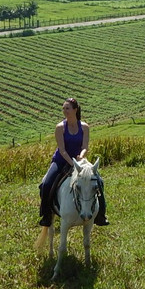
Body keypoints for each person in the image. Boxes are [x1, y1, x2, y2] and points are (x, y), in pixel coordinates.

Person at [38, 97, 108, 230]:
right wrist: (72, 163)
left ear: (75, 110)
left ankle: (101, 215)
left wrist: (81, 156)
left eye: (67, 108)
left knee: (99, 181)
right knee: (46, 184)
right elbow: (62, 150)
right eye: (63, 108)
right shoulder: (60, 127)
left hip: (80, 161)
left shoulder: (85, 127)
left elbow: (85, 147)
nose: (65, 111)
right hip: (61, 160)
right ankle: (46, 215)